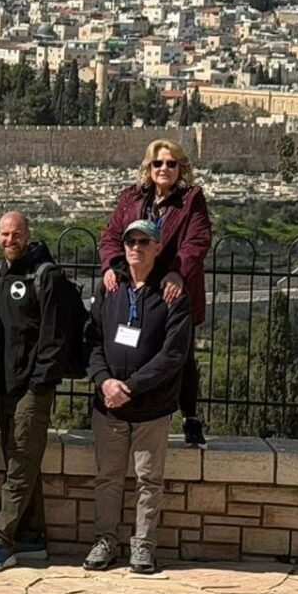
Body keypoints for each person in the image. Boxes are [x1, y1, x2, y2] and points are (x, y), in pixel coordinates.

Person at [84, 219, 193, 575]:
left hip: (151, 406)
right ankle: (105, 541)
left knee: (149, 479)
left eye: (144, 241)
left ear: (158, 247)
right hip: (109, 404)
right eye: (131, 241)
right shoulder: (110, 288)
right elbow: (93, 341)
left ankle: (143, 546)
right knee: (108, 477)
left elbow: (173, 354)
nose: (136, 247)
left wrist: (129, 387)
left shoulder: (172, 292)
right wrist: (104, 382)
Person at [0, 211, 79, 572]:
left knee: (19, 461)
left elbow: (55, 334)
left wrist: (40, 381)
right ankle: (33, 536)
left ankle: (0, 538)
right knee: (20, 458)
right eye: (3, 234)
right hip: (6, 383)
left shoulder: (44, 275)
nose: (9, 239)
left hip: (33, 387)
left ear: (27, 234)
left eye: (15, 233)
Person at [99, 139, 212, 446]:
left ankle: (189, 416)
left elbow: (196, 242)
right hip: (135, 284)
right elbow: (111, 235)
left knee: (181, 353)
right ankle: (123, 401)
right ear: (148, 167)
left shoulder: (191, 200)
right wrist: (111, 265)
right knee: (128, 347)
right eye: (158, 163)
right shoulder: (131, 198)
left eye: (171, 164)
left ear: (181, 168)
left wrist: (178, 272)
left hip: (173, 286)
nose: (164, 169)